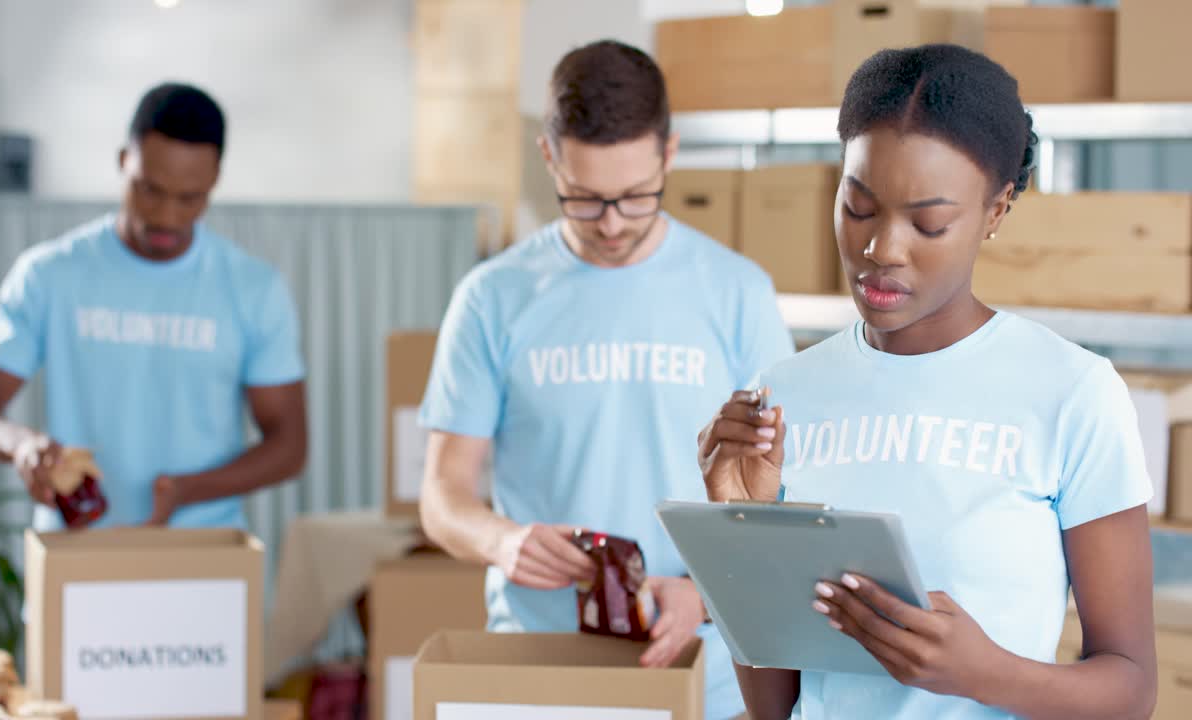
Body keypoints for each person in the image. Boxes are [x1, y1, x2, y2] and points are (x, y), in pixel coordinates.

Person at [698, 44, 1157, 720]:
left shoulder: (1073, 392)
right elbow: (776, 707)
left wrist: (984, 674)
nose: (883, 249)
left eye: (929, 223)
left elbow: (1131, 689)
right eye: (858, 208)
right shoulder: (784, 393)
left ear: (995, 212)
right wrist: (737, 527)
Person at [417, 39, 794, 719]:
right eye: (585, 200)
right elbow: (442, 497)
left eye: (635, 197)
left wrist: (707, 593)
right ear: (548, 158)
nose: (613, 224)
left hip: (701, 674)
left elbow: (785, 503)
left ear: (669, 154)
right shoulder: (491, 298)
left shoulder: (739, 294)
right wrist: (503, 541)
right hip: (537, 671)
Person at [0, 82, 308, 530]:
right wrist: (19, 443)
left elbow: (289, 444)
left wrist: (187, 491)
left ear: (214, 180)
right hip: (75, 549)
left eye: (189, 198)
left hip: (203, 554)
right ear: (123, 161)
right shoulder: (50, 274)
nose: (165, 217)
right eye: (149, 190)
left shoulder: (255, 289)